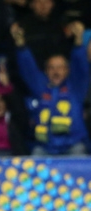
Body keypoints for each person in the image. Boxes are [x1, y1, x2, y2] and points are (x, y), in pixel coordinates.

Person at [11, 20, 90, 155]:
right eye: (51, 68)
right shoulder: (41, 87)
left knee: (80, 153)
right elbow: (28, 69)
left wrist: (78, 42)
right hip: (45, 146)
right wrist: (20, 44)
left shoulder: (76, 87)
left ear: (67, 70)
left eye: (60, 67)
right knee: (35, 156)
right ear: (46, 71)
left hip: (73, 145)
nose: (56, 71)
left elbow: (81, 68)